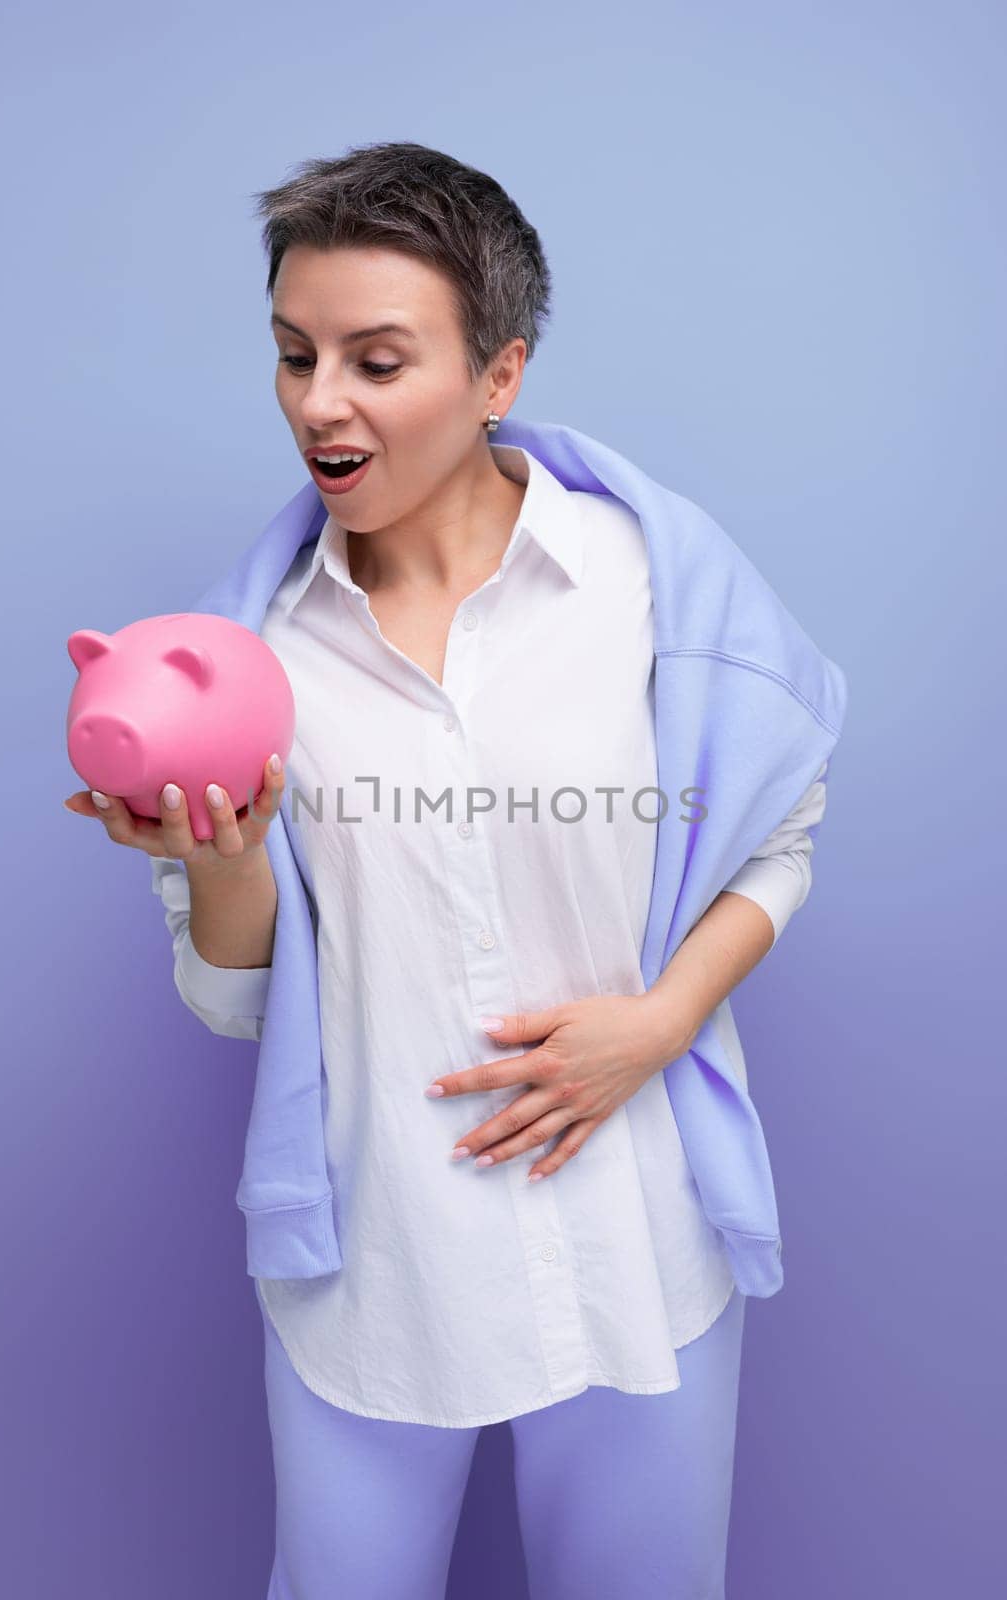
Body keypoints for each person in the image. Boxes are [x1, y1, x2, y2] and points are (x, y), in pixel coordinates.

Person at [64, 141, 843, 1600]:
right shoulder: (255, 658)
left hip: (635, 1248)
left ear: (499, 376)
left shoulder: (646, 581)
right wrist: (224, 865)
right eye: (296, 355)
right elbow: (239, 1003)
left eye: (376, 358)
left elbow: (780, 835)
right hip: (381, 1271)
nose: (319, 404)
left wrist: (664, 1022)